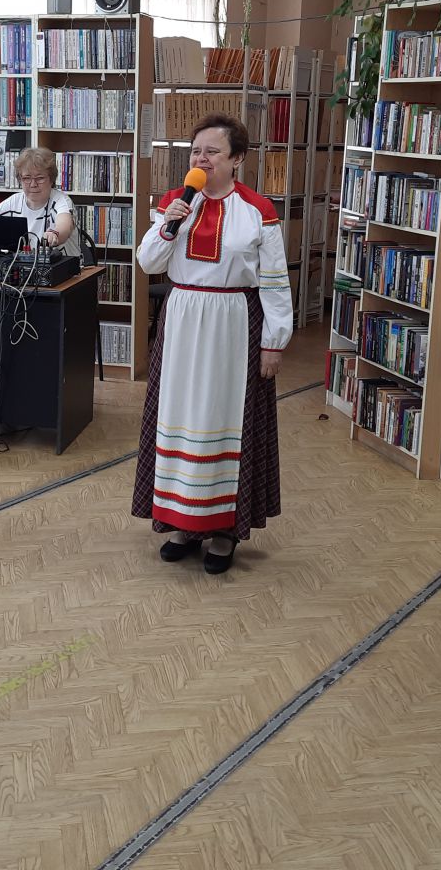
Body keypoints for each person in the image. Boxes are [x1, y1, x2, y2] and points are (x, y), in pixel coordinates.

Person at [131, 112, 293, 574]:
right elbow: (148, 263)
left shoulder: (258, 210)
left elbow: (274, 280)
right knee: (178, 415)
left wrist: (274, 341)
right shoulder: (174, 203)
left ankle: (223, 530)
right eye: (196, 151)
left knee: (225, 418)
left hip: (234, 324)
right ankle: (180, 523)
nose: (201, 159)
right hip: (183, 320)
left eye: (212, 152)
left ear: (236, 159)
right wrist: (169, 225)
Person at [0, 147, 82, 259]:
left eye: (40, 178)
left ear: (51, 179)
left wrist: (54, 234)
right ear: (20, 180)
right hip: (24, 266)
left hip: (66, 267)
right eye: (26, 178)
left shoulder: (61, 200)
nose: (33, 184)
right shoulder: (14, 201)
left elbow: (65, 225)